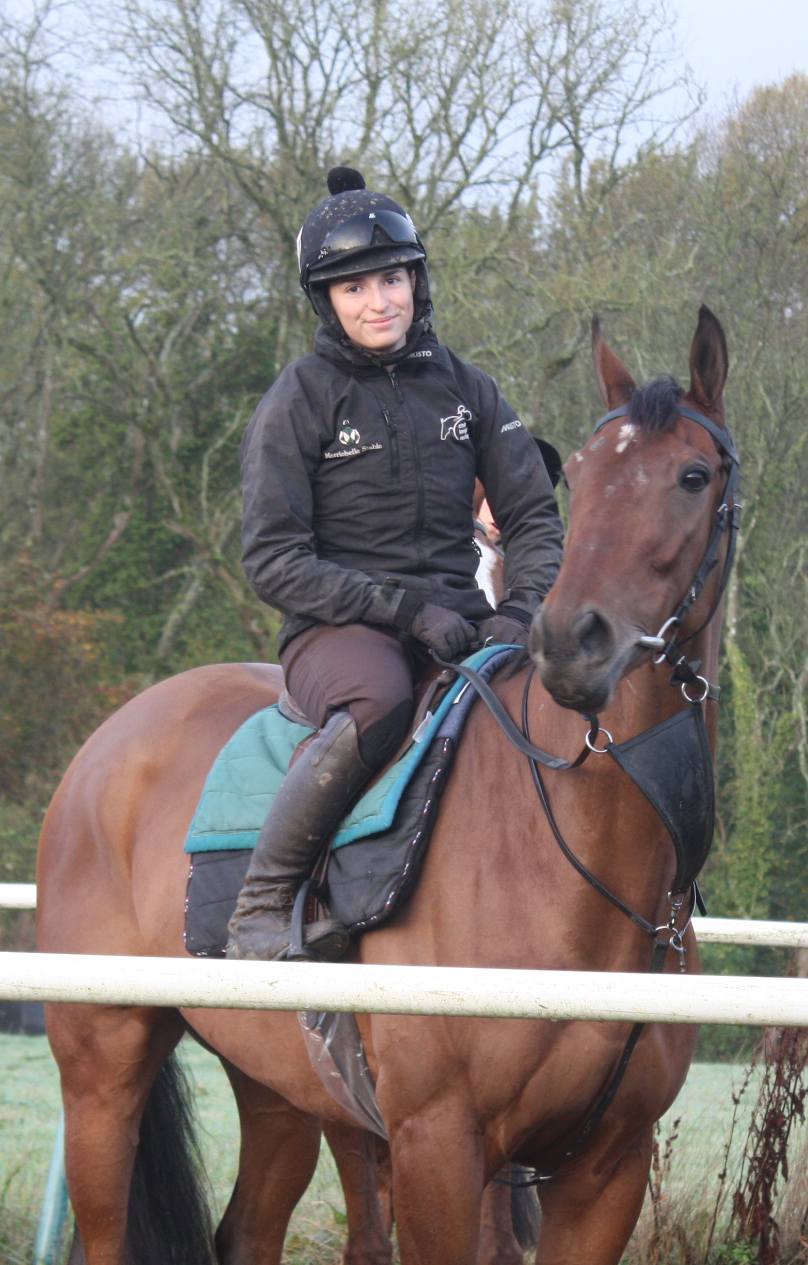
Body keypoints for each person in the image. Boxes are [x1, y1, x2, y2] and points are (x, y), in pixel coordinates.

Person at [229, 165, 564, 962]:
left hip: (468, 619)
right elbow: (274, 560)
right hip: (337, 631)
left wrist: (519, 612)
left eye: (390, 279)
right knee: (380, 698)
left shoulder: (470, 391)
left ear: (416, 281)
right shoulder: (299, 398)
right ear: (327, 302)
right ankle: (264, 900)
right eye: (354, 289)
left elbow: (535, 519)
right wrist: (407, 612)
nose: (378, 302)